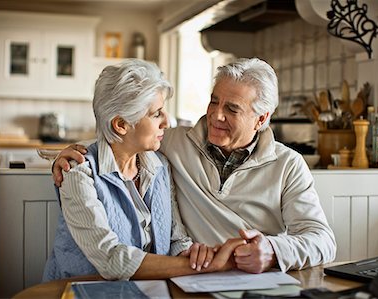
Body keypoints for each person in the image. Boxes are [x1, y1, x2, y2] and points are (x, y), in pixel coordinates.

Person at [53, 57, 336, 274]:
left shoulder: (288, 165)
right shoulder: (174, 143)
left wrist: (274, 250)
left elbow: (323, 241)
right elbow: (121, 135)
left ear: (261, 119)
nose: (216, 115)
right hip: (194, 277)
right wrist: (65, 154)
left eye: (232, 109)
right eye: (214, 101)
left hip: (252, 281)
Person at [43, 59, 245, 282]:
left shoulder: (159, 166)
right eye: (156, 113)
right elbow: (112, 260)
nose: (167, 122)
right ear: (121, 125)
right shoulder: (79, 174)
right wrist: (208, 267)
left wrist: (194, 256)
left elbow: (176, 239)